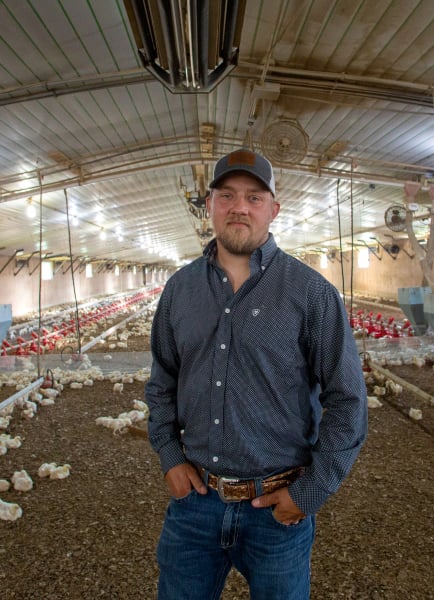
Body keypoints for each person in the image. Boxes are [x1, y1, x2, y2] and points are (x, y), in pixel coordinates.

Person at [145, 148, 368, 600]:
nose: (239, 207)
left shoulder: (312, 294)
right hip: (196, 504)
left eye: (254, 197)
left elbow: (347, 400)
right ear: (209, 205)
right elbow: (162, 382)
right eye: (226, 195)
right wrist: (170, 454)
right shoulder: (180, 289)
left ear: (274, 209)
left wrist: (310, 492)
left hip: (277, 508)